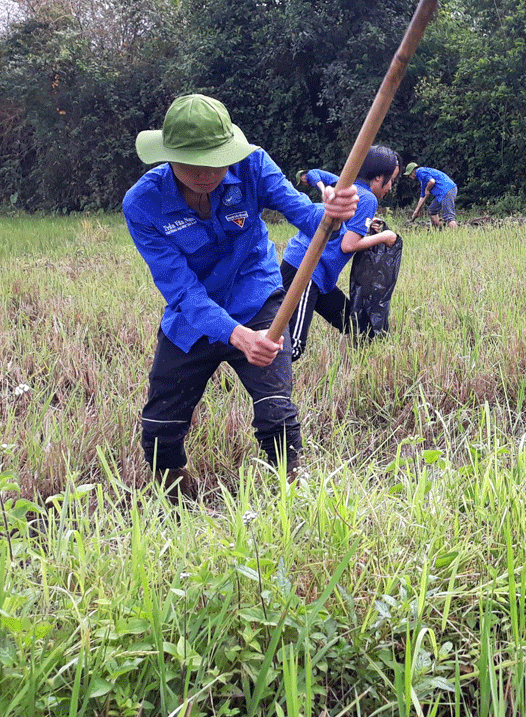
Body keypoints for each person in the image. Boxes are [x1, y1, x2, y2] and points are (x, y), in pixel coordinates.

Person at [123, 94, 358, 496]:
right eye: (192, 163)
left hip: (257, 299)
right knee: (160, 430)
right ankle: (179, 504)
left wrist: (335, 212)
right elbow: (182, 290)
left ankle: (290, 502)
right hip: (193, 319)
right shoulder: (143, 204)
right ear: (167, 155)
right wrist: (235, 335)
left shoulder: (253, 165)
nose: (206, 174)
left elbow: (308, 217)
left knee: (276, 413)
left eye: (216, 160)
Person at [280, 146, 402, 359]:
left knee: (355, 324)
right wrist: (385, 237)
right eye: (391, 180)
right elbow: (348, 244)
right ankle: (267, 383)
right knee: (294, 346)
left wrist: (366, 226)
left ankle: (347, 371)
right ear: (378, 177)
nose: (390, 187)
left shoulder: (352, 190)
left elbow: (344, 228)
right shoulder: (368, 198)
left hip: (317, 277)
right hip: (306, 272)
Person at [405, 162, 460, 229]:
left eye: (409, 175)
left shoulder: (420, 171)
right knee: (432, 210)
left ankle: (455, 233)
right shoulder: (423, 180)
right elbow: (423, 197)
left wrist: (427, 189)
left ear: (413, 172)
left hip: (447, 190)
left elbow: (432, 181)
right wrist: (416, 212)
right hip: (441, 194)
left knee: (448, 217)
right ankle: (439, 230)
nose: (410, 177)